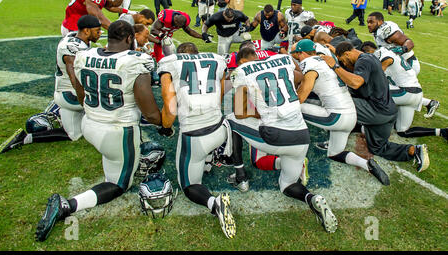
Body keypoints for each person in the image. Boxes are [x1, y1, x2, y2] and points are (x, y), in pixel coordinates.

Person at [35, 20, 162, 242]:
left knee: (113, 160)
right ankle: (68, 205)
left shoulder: (85, 54)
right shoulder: (136, 61)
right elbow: (150, 113)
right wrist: (165, 125)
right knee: (118, 184)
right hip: (117, 130)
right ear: (130, 38)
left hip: (90, 123)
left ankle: (119, 162)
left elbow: (78, 87)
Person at [227, 47, 338, 233]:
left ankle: (240, 176)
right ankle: (312, 198)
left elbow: (240, 112)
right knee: (287, 184)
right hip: (302, 137)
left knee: (230, 119)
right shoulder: (282, 60)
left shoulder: (241, 72)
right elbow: (300, 76)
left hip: (274, 136)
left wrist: (260, 113)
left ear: (241, 62)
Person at [157, 42, 236, 239]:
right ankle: (208, 162)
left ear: (179, 54)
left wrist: (166, 127)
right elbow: (226, 85)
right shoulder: (216, 60)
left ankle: (213, 203)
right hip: (220, 129)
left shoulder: (170, 62)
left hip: (196, 135)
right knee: (205, 150)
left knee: (189, 186)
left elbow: (170, 106)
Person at [0, 16, 102, 154]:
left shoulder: (75, 37)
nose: (100, 33)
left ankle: (25, 138)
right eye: (98, 31)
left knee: (74, 135)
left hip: (64, 92)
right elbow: (74, 79)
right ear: (87, 31)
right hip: (70, 95)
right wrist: (87, 104)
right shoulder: (72, 48)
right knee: (105, 106)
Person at [291, 40, 390, 185]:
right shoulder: (326, 60)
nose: (297, 59)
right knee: (335, 153)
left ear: (302, 53)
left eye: (296, 56)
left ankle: (293, 156)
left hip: (335, 117)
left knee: (292, 108)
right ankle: (367, 164)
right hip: (351, 116)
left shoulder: (309, 64)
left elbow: (301, 96)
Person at [321, 41, 430, 173]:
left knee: (340, 103)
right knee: (378, 148)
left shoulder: (363, 61)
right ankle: (413, 150)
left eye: (343, 60)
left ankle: (333, 140)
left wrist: (335, 66)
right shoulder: (368, 57)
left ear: (347, 53)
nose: (344, 64)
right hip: (388, 113)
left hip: (376, 110)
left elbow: (355, 83)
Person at [361, 42, 447, 141]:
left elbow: (376, 78)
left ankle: (367, 125)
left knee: (372, 93)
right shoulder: (385, 52)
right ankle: (442, 132)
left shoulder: (383, 56)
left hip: (405, 92)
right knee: (403, 131)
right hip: (415, 94)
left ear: (368, 52)